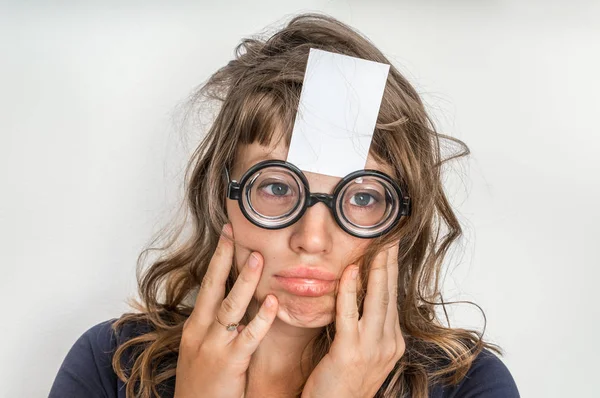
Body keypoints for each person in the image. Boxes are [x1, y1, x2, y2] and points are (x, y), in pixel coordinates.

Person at [49, 13, 520, 398]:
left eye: (361, 198)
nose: (312, 238)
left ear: (400, 219)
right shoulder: (109, 365)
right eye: (276, 189)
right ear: (224, 197)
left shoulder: (468, 385)